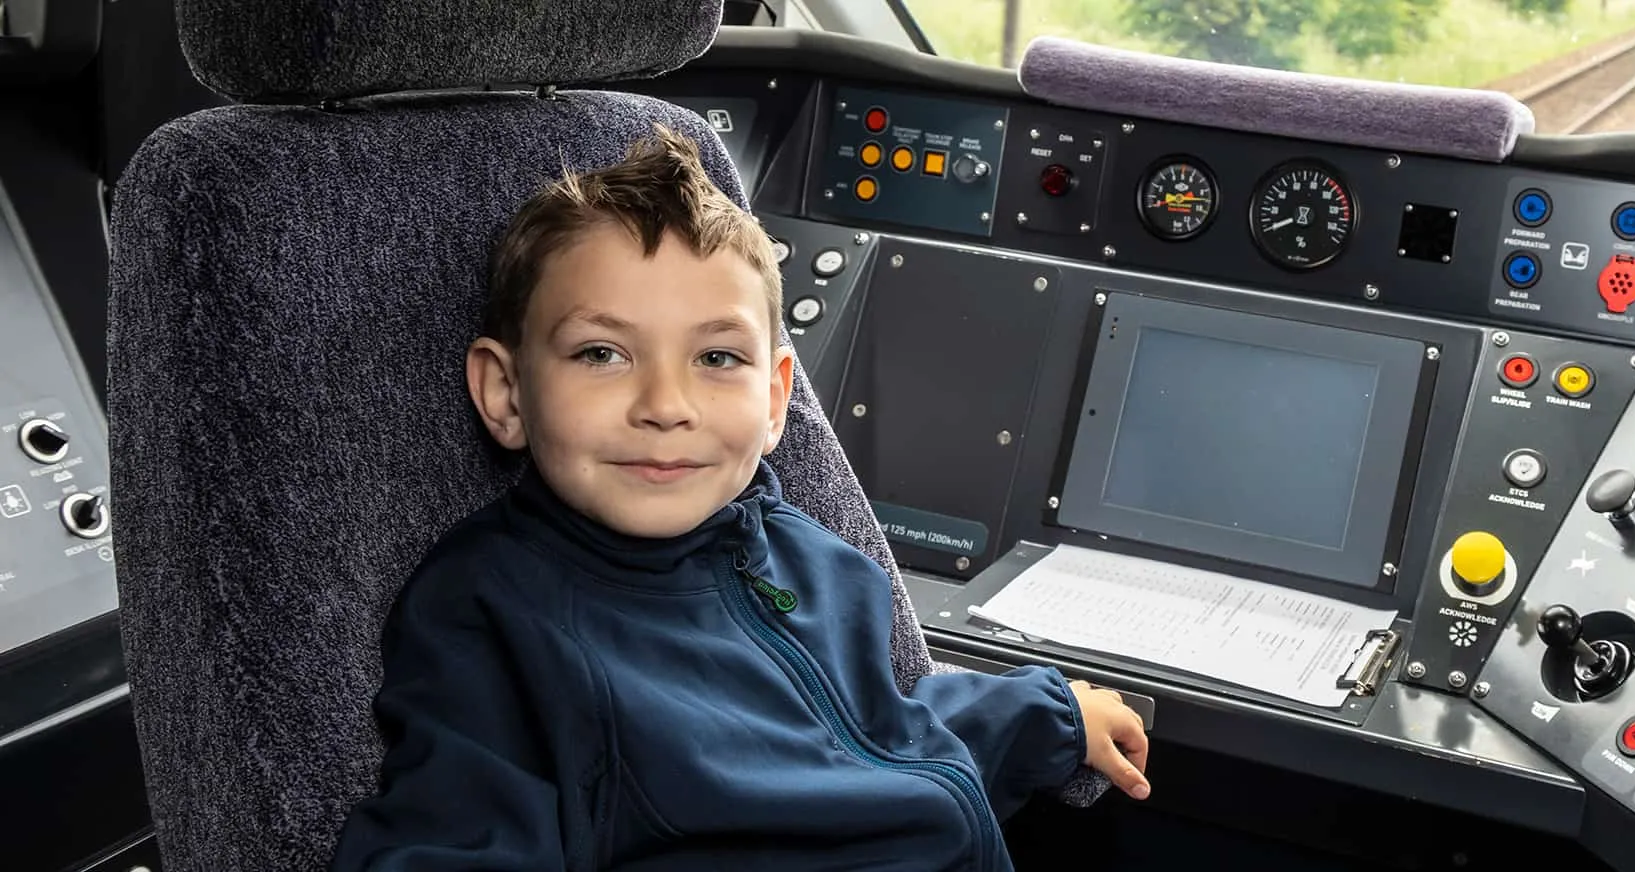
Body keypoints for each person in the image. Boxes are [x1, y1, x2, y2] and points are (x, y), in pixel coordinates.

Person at [332, 125, 1149, 871]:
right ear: (506, 393)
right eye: (603, 353)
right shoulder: (494, 614)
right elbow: (453, 836)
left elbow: (879, 736)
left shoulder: (810, 557)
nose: (666, 403)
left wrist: (1047, 714)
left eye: (717, 359)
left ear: (772, 402)